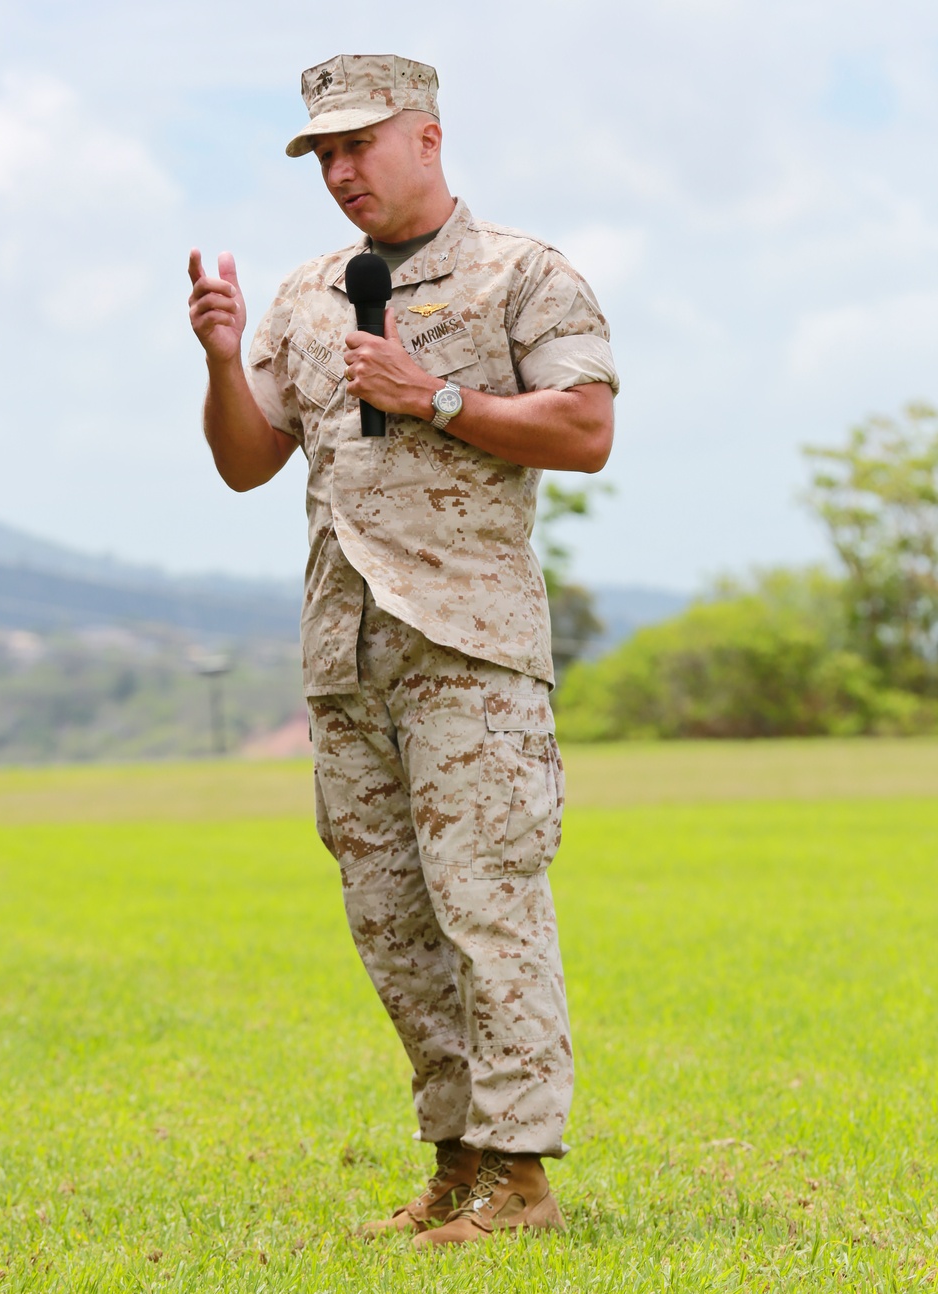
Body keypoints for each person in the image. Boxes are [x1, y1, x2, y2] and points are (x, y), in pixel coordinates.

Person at [187, 54, 618, 1248]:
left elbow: (584, 427)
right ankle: (455, 1163)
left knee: (489, 906)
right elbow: (243, 459)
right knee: (390, 919)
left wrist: (438, 397)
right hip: (348, 651)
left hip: (469, 649)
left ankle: (522, 1179)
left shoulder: (522, 273)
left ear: (426, 138)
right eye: (321, 154)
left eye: (357, 145)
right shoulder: (310, 295)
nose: (338, 172)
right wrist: (224, 357)